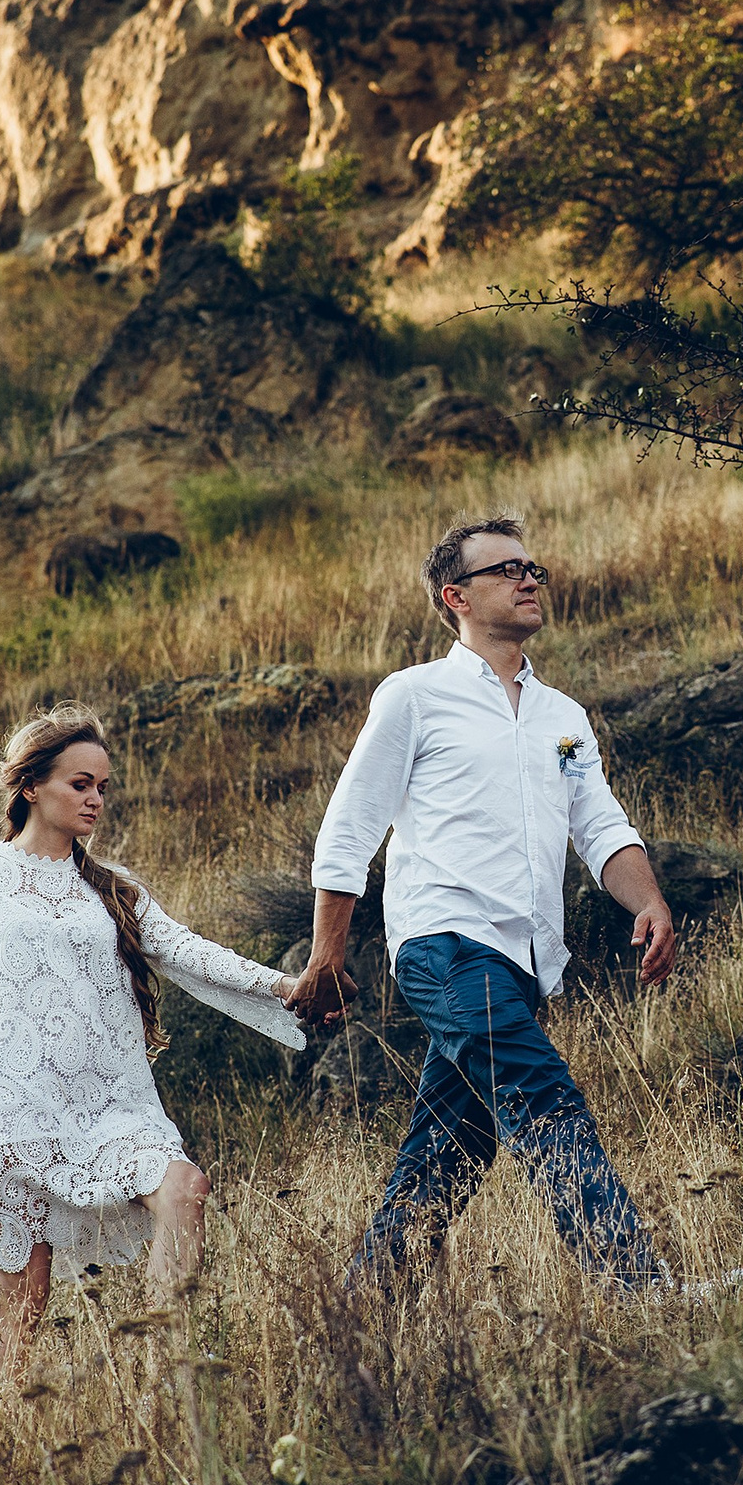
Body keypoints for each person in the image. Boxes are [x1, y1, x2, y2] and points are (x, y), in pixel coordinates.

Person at [0, 702, 310, 1375]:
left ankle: (164, 1377)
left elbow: (187, 950)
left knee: (185, 1186)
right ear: (30, 786)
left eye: (102, 786)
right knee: (23, 1298)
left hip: (112, 1104)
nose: (96, 798)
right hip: (11, 1112)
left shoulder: (112, 888)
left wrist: (288, 987)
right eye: (80, 783)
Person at [301, 514, 680, 1292]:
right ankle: (635, 1284)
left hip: (523, 965)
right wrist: (326, 955)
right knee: (542, 1092)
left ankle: (366, 1300)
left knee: (453, 1144)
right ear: (457, 596)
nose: (529, 577)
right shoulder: (414, 696)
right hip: (443, 946)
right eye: (506, 569)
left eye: (532, 565)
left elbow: (599, 822)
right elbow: (352, 825)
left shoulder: (563, 720)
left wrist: (649, 902)